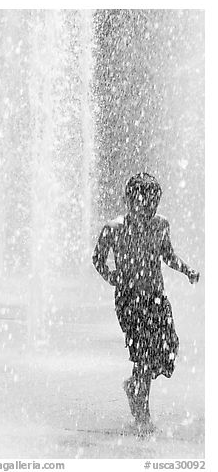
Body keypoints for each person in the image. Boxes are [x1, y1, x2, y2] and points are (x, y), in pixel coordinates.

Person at [92, 172, 200, 435]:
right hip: (129, 300)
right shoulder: (114, 228)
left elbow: (167, 255)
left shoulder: (160, 225)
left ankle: (135, 387)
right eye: (146, 202)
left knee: (168, 350)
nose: (151, 208)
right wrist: (111, 276)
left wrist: (186, 270)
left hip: (156, 298)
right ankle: (142, 416)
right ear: (131, 200)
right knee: (143, 357)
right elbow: (97, 258)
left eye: (155, 202)